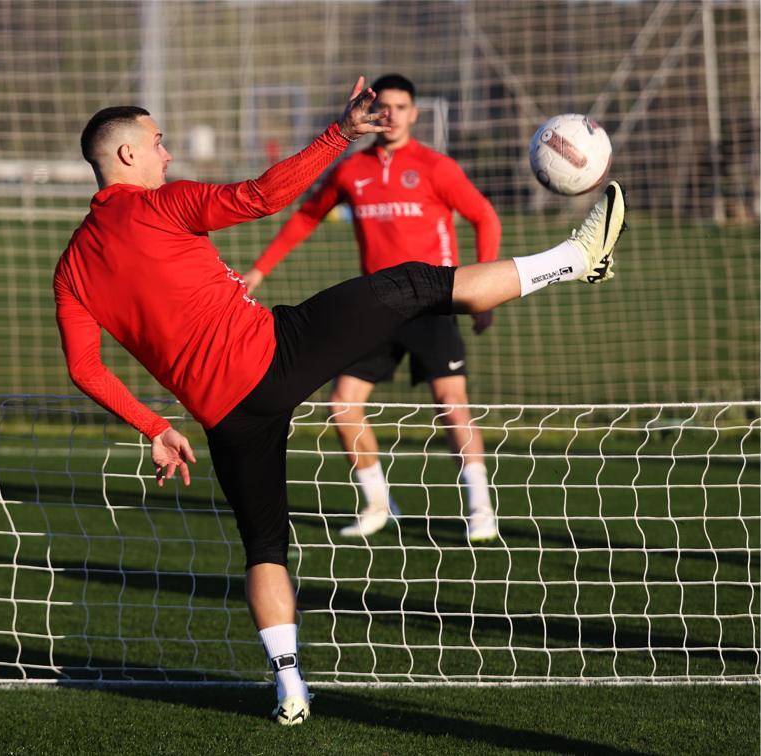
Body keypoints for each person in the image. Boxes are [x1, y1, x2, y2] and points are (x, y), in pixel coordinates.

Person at [53, 76, 626, 725]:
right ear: (127, 156)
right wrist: (340, 133)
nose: (168, 155)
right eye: (158, 142)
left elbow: (83, 367)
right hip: (273, 356)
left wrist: (154, 425)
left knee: (264, 547)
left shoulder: (71, 266)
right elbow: (264, 197)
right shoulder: (159, 205)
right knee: (412, 284)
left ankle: (289, 686)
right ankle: (575, 259)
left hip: (224, 419)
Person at [244, 74, 502, 541]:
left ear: (415, 113)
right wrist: (260, 270)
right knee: (343, 404)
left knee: (452, 404)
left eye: (402, 107)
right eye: (384, 106)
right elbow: (306, 216)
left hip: (433, 302)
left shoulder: (435, 167)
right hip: (376, 304)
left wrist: (484, 290)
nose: (392, 115)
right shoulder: (350, 171)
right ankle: (380, 503)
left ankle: (480, 508)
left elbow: (484, 215)